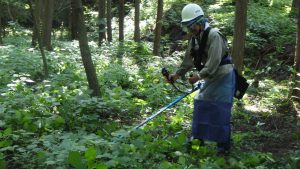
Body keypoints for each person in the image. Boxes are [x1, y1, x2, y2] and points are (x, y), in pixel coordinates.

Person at [167, 3, 236, 155]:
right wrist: (177, 74)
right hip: (210, 78)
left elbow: (213, 62)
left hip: (224, 77)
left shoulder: (214, 35)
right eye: (187, 27)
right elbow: (188, 60)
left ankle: (223, 149)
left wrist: (199, 76)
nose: (189, 30)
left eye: (190, 26)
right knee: (201, 105)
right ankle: (197, 142)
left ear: (199, 22)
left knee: (220, 111)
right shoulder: (195, 39)